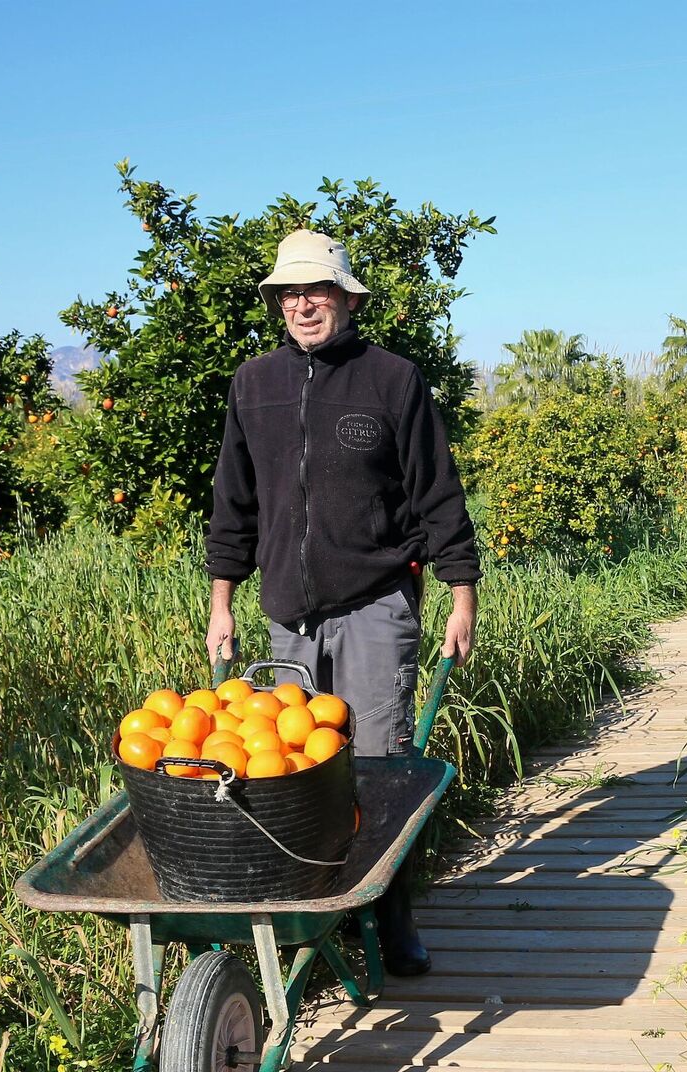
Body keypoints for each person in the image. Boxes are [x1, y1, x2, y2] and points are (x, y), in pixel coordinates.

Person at [204, 228, 479, 977]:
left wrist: (462, 595)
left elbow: (436, 492)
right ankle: (313, 917)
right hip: (286, 612)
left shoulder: (392, 380)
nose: (302, 304)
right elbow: (234, 503)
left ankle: (393, 916)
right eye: (289, 293)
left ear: (346, 298)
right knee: (290, 768)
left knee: (377, 764)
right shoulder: (252, 383)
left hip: (375, 604)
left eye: (315, 290)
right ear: (276, 303)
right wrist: (221, 601)